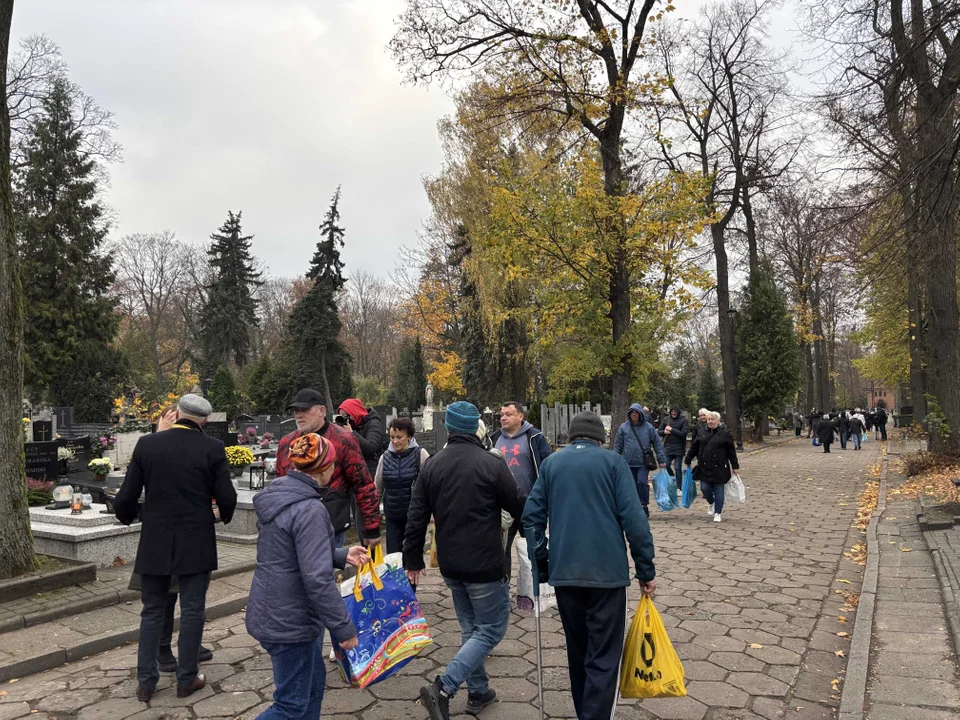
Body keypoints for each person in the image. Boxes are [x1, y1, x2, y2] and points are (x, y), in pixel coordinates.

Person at [522, 411, 657, 720]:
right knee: (604, 657)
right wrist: (645, 570)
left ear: (572, 436)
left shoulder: (552, 464)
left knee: (579, 651)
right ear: (600, 437)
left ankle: (586, 711)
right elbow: (635, 522)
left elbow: (531, 518)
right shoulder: (614, 463)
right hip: (607, 576)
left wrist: (542, 559)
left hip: (565, 574)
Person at [404, 402, 527, 720]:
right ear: (475, 428)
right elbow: (516, 505)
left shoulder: (432, 465)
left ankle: (478, 691)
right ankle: (444, 687)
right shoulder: (490, 463)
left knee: (471, 627)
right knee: (492, 628)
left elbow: (416, 516)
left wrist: (413, 559)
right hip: (484, 563)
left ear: (450, 428)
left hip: (450, 565)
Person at [115, 394, 238, 702]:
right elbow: (227, 497)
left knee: (152, 611)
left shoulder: (148, 444)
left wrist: (126, 515)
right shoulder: (212, 448)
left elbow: (127, 495)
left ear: (177, 413)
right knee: (193, 609)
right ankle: (186, 679)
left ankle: (146, 683)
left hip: (155, 541)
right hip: (196, 541)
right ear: (204, 421)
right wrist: (221, 515)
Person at [246, 433, 368, 719]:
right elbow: (317, 579)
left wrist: (340, 554)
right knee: (290, 705)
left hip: (273, 611)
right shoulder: (310, 508)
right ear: (325, 468)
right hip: (292, 621)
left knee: (312, 688)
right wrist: (343, 628)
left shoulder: (279, 496)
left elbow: (288, 551)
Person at [128, 405, 214, 673]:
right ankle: (163, 649)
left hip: (181, 535)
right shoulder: (152, 444)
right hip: (164, 538)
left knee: (187, 601)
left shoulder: (200, 444)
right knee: (165, 600)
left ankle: (189, 647)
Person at [275, 389, 381, 547]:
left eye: (305, 409)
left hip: (329, 526)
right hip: (294, 526)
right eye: (296, 410)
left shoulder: (344, 440)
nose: (298, 414)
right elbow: (280, 486)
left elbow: (363, 485)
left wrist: (371, 528)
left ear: (321, 411)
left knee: (324, 571)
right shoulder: (287, 443)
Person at [489, 401, 552, 609]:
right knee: (502, 551)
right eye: (502, 414)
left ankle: (537, 592)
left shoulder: (534, 437)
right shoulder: (494, 439)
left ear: (521, 417)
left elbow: (547, 466)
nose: (503, 418)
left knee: (534, 548)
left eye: (508, 414)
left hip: (530, 504)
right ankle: (503, 594)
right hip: (503, 507)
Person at [375, 417, 430, 554]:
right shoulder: (385, 458)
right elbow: (378, 488)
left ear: (409, 436)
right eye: (392, 437)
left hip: (414, 517)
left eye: (399, 437)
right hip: (393, 516)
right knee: (393, 558)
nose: (395, 441)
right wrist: (373, 514)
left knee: (411, 557)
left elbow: (431, 485)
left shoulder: (420, 454)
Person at [684, 411, 740, 523]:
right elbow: (694, 447)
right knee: (705, 488)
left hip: (719, 466)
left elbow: (731, 451)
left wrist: (734, 465)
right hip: (704, 466)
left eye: (712, 419)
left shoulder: (725, 434)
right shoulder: (701, 432)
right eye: (709, 419)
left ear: (718, 421)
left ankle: (718, 512)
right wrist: (688, 459)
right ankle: (711, 502)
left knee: (719, 489)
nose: (710, 421)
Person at [614, 404, 667, 517]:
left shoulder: (649, 428)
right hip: (628, 463)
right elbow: (618, 446)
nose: (634, 414)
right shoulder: (624, 427)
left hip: (643, 462)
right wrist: (614, 461)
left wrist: (661, 459)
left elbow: (657, 444)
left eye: (636, 412)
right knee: (631, 486)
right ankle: (633, 507)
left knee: (642, 482)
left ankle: (643, 505)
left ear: (640, 414)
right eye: (632, 412)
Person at [337, 398, 385, 480]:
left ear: (353, 414)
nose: (344, 418)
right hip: (354, 470)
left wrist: (352, 433)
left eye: (345, 415)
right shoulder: (352, 425)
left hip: (370, 470)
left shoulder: (373, 423)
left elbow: (371, 448)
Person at [658, 406, 689, 480]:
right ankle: (672, 478)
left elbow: (683, 434)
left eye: (675, 412)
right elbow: (659, 431)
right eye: (672, 412)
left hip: (679, 447)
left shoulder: (684, 420)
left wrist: (672, 430)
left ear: (678, 412)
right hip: (668, 447)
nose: (674, 413)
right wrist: (664, 432)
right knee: (666, 465)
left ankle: (679, 487)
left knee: (677, 468)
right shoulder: (666, 419)